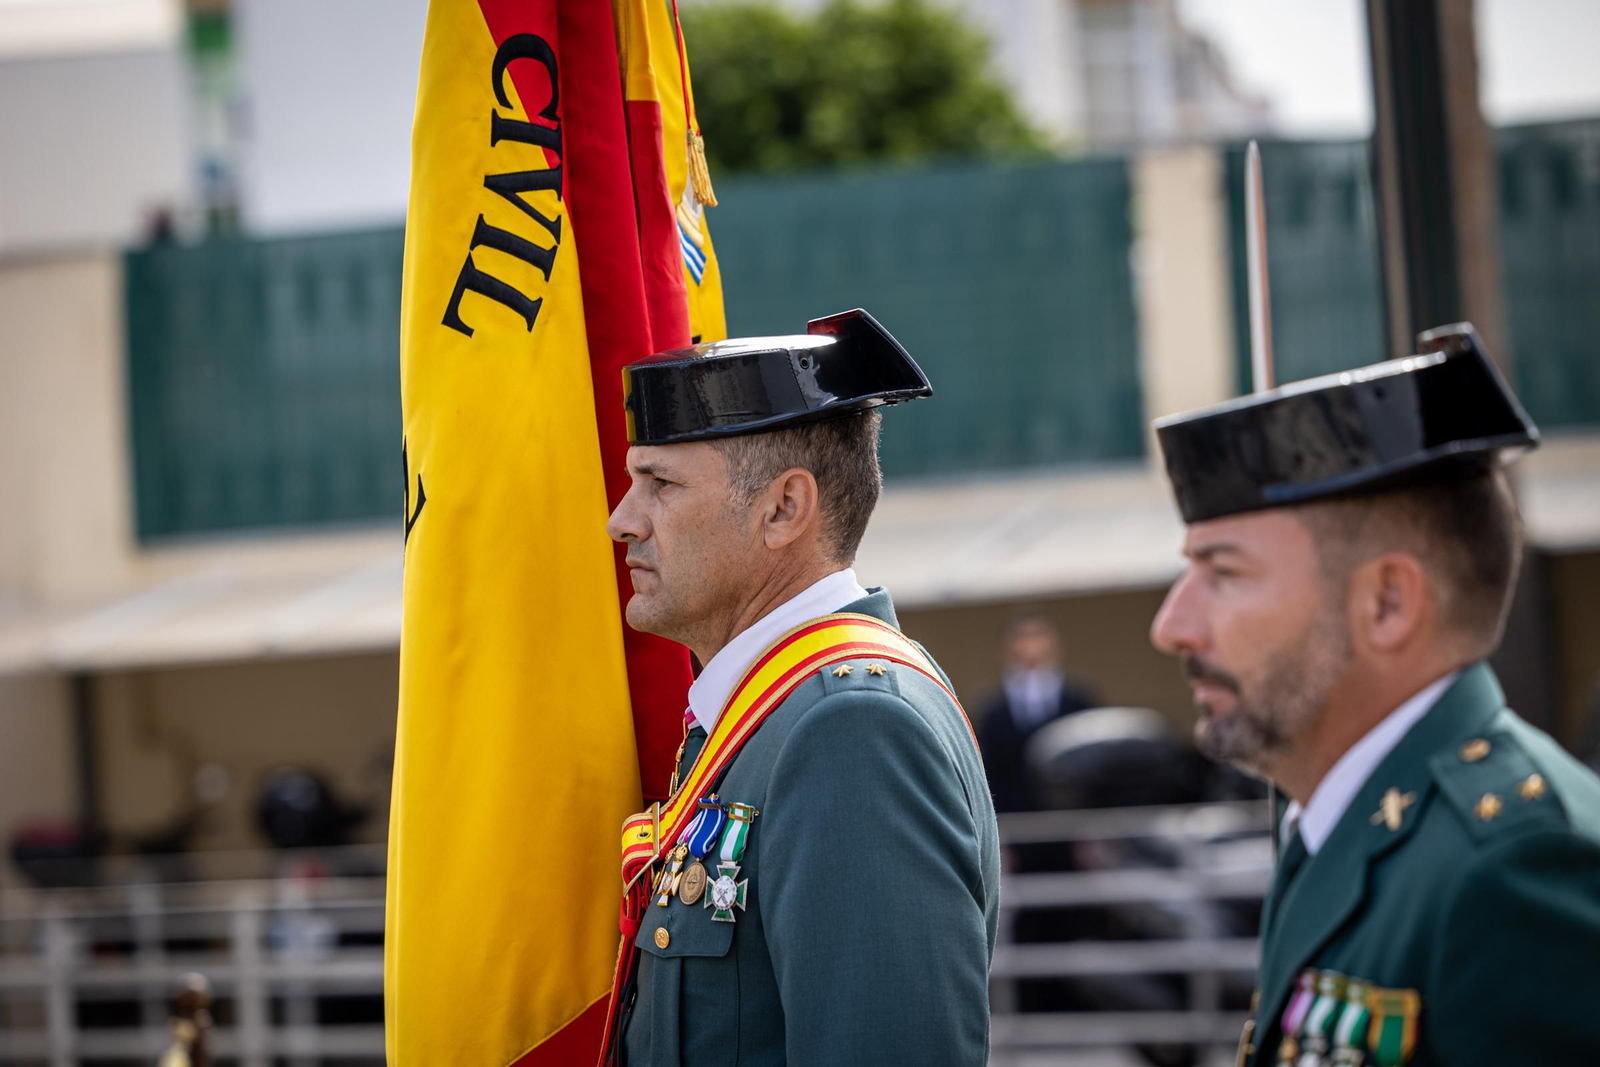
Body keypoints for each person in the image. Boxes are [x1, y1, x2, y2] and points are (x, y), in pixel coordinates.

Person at [1148, 323, 1600, 1066]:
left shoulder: (1512, 866)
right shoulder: (1339, 824)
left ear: (1388, 602)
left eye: (1223, 572)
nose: (1173, 625)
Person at [599, 310, 1000, 1067]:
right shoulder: (777, 718)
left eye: (660, 483)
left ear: (784, 507)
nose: (623, 520)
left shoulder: (851, 729)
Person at [977, 613, 1098, 815]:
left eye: (1038, 636)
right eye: (1023, 637)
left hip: (1071, 817)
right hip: (1014, 818)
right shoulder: (994, 710)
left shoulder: (1078, 699)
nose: (1031, 645)